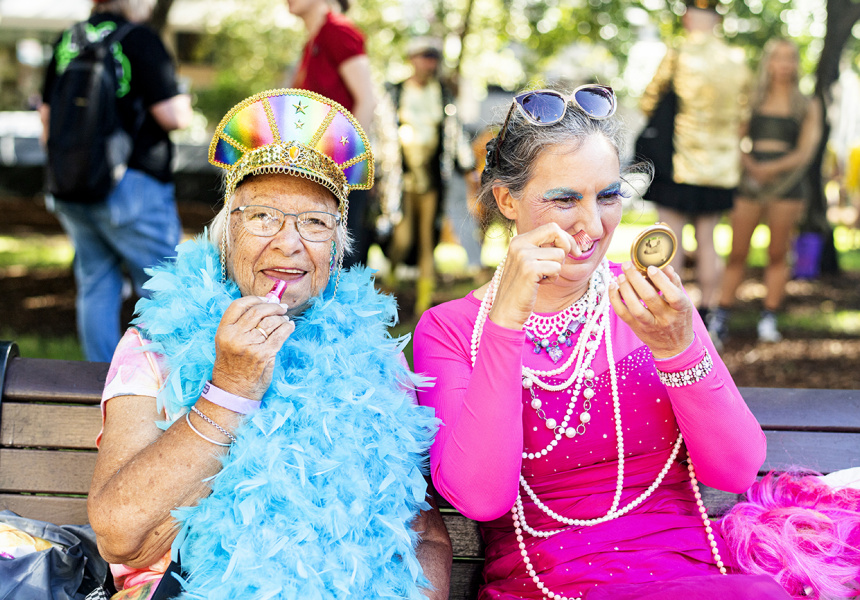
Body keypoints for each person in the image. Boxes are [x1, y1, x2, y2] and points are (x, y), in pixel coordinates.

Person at [413, 85, 793, 599]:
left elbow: (736, 469)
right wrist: (506, 323)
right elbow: (481, 498)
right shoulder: (451, 330)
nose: (593, 225)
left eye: (609, 196)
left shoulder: (650, 303)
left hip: (691, 577)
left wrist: (678, 348)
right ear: (506, 199)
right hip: (545, 586)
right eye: (565, 198)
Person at [87, 89, 451, 599]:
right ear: (227, 231)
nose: (289, 242)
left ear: (337, 248)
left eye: (315, 222)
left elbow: (425, 536)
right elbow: (119, 536)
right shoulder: (155, 347)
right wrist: (229, 390)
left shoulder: (376, 359)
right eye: (262, 216)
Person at [39, 0, 193, 363]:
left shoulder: (68, 39)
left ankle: (99, 383)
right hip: (132, 186)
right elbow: (173, 116)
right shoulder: (140, 38)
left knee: (95, 285)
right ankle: (165, 383)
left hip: (73, 185)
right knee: (164, 288)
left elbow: (46, 114)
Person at [639, 0, 750, 321]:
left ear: (687, 18)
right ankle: (709, 311)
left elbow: (649, 101)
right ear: (717, 20)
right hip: (720, 170)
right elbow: (743, 116)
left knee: (669, 238)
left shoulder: (678, 53)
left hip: (677, 164)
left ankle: (669, 310)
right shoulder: (736, 59)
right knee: (708, 240)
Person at [709, 39, 822, 346]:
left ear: (796, 63)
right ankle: (721, 317)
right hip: (750, 181)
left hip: (788, 184)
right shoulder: (752, 100)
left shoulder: (807, 104)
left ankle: (769, 318)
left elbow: (805, 151)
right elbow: (734, 138)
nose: (784, 64)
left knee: (778, 253)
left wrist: (771, 169)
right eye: (778, 58)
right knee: (737, 252)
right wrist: (750, 165)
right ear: (768, 62)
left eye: (790, 58)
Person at [385, 37, 475, 313]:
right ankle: (388, 285)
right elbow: (383, 132)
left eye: (434, 57)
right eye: (425, 56)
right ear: (412, 59)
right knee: (403, 238)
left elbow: (455, 132)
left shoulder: (443, 94)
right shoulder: (396, 92)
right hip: (401, 179)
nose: (430, 63)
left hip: (433, 179)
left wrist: (469, 167)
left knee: (428, 239)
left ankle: (423, 302)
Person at [287, 0, 377, 268]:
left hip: (339, 169)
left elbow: (367, 100)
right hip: (316, 168)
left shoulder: (338, 32)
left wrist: (346, 165)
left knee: (339, 257)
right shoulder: (314, 39)